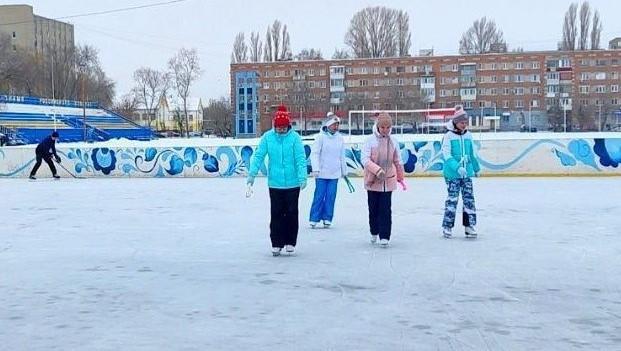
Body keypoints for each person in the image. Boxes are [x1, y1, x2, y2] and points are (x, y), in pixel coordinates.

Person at [246, 105, 308, 256]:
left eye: (283, 127)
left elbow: (300, 159)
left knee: (292, 213)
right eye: (278, 127)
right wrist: (251, 176)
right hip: (275, 183)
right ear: (274, 126)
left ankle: (290, 242)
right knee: (277, 214)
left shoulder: (295, 138)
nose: (281, 130)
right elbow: (258, 156)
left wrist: (302, 177)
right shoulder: (267, 137)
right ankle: (277, 243)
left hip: (293, 183)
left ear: (288, 126)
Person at [361, 113, 406, 248]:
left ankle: (385, 235)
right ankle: (374, 231)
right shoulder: (370, 140)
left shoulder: (393, 141)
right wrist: (377, 170)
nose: (385, 130)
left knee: (385, 209)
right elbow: (365, 159)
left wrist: (400, 176)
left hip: (388, 180)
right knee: (373, 208)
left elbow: (397, 160)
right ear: (378, 126)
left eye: (388, 127)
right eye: (382, 127)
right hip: (373, 180)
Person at [441, 105, 481, 239]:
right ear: (455, 122)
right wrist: (457, 168)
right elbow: (446, 155)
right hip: (452, 174)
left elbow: (472, 153)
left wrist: (476, 168)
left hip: (467, 174)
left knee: (469, 199)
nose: (464, 125)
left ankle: (469, 226)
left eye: (465, 123)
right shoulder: (448, 136)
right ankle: (447, 226)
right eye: (461, 122)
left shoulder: (468, 135)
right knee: (452, 199)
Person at [308, 112, 348, 229]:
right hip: (321, 173)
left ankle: (327, 218)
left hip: (334, 173)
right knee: (319, 195)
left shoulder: (340, 138)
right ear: (328, 125)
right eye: (334, 124)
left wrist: (344, 171)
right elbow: (314, 154)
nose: (336, 127)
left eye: (338, 125)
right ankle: (314, 218)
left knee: (331, 196)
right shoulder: (320, 137)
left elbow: (342, 156)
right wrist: (315, 169)